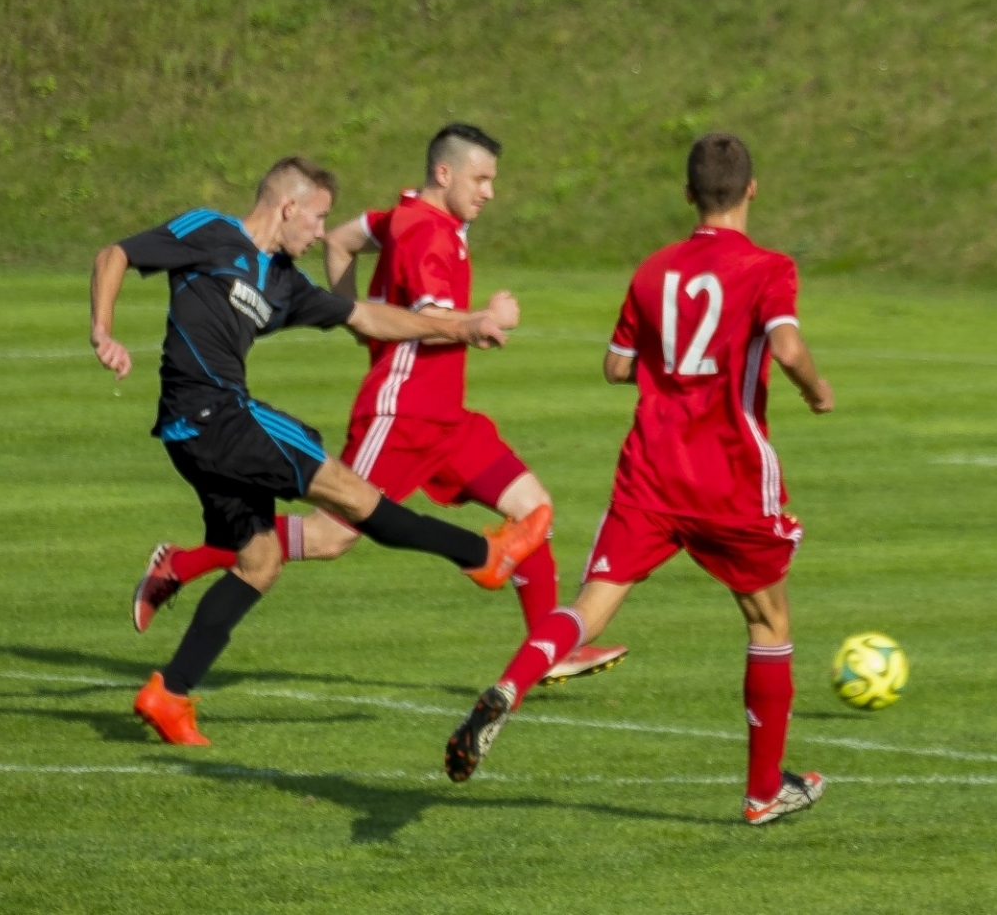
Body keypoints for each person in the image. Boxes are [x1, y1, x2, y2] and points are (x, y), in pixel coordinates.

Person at [129, 124, 626, 686]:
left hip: (448, 419)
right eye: (481, 179)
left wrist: (354, 319)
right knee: (333, 534)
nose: (490, 192)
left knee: (534, 510)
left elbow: (341, 238)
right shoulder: (427, 236)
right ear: (445, 173)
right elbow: (435, 328)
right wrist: (481, 320)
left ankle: (547, 649)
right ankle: (184, 563)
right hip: (403, 414)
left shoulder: (401, 215)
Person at [441, 133, 836, 826]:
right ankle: (763, 791)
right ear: (751, 189)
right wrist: (815, 387)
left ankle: (511, 684)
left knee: (591, 605)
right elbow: (788, 345)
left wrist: (667, 355)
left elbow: (616, 367)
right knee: (768, 619)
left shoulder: (654, 269)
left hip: (651, 471)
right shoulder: (769, 266)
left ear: (688, 194)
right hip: (728, 473)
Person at [92, 156, 547, 746]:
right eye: (316, 218)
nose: (318, 233)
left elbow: (371, 318)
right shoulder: (209, 232)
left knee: (258, 563)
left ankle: (169, 695)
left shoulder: (283, 282)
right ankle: (480, 556)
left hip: (197, 436)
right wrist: (103, 330)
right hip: (215, 416)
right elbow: (115, 255)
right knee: (354, 496)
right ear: (287, 208)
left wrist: (467, 325)